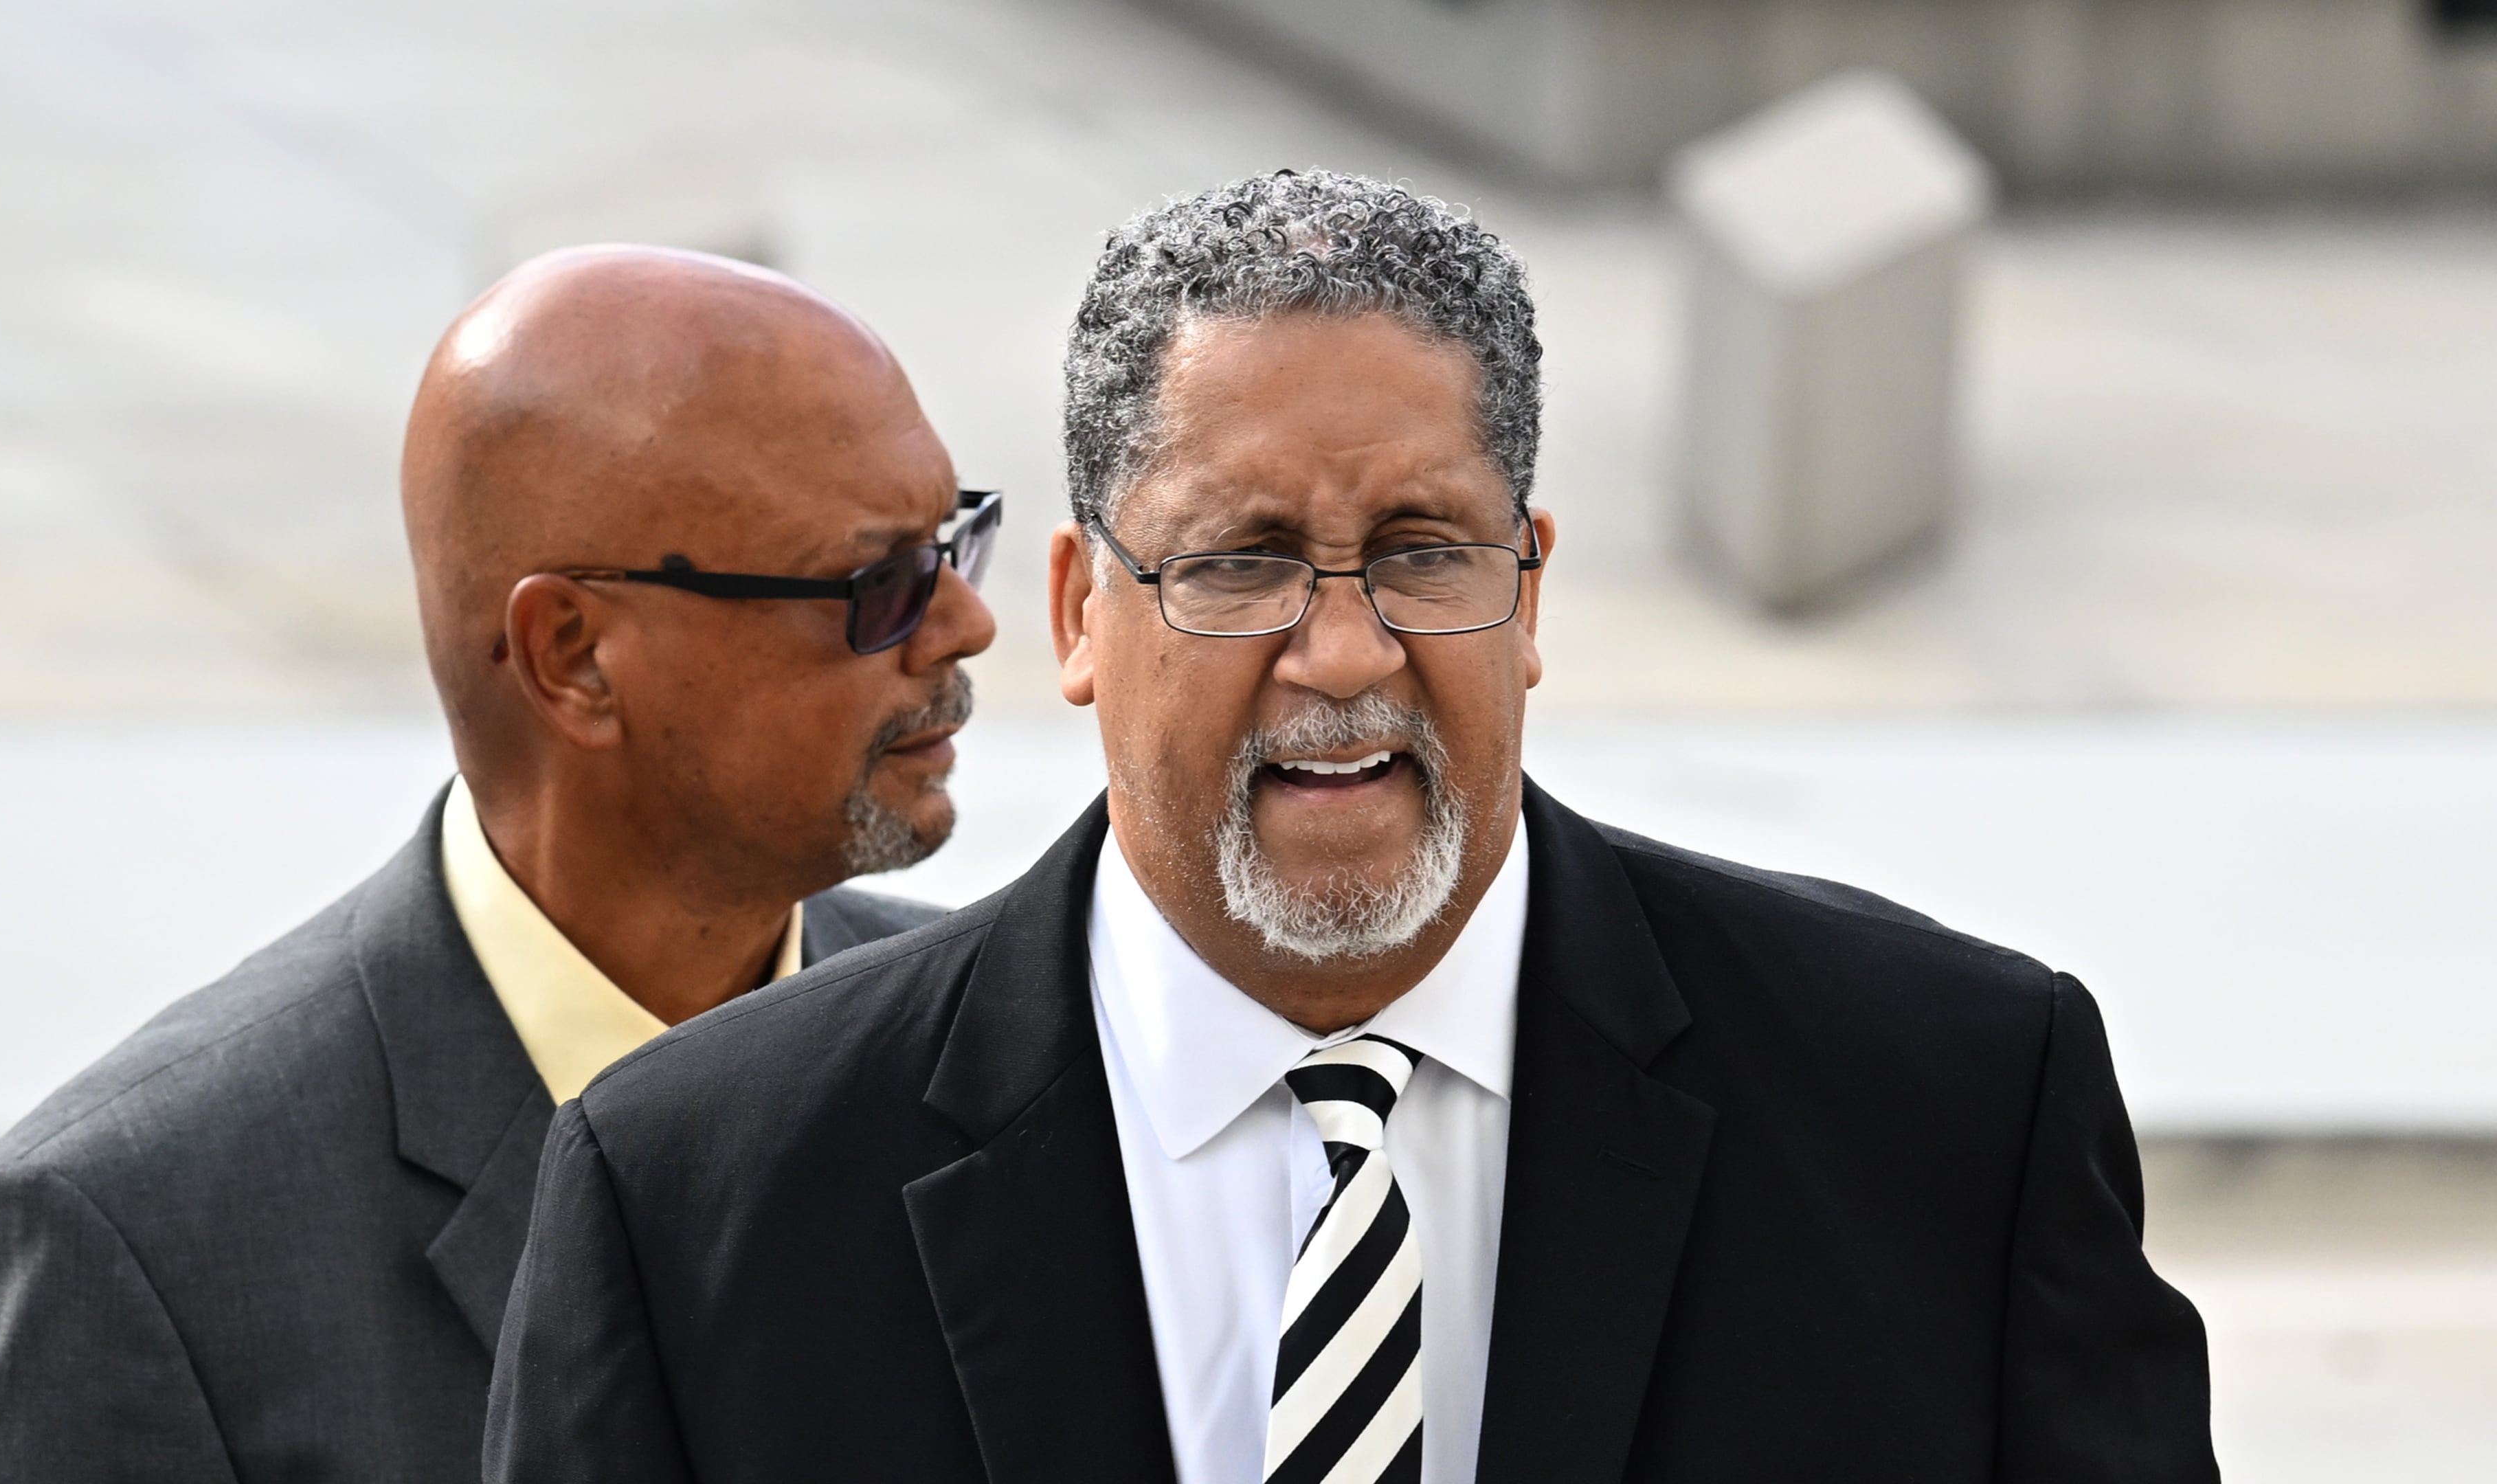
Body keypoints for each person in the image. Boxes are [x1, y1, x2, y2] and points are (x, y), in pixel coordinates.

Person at [482, 175, 2215, 1483]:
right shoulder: (700, 1198)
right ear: (1081, 613)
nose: (1343, 653)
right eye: (1240, 561)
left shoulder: (1950, 1114)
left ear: (1528, 592)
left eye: (1422, 552)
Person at [0, 247, 997, 1483]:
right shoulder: (124, 1252)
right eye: (879, 582)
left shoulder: (1013, 1054)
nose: (965, 623)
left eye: (954, 541)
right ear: (573, 656)